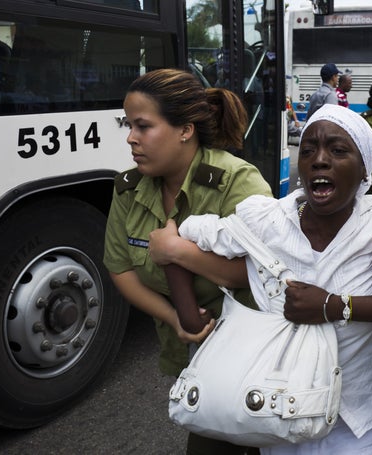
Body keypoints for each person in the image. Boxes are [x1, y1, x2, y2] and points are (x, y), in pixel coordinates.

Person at [152, 104, 372, 454]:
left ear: (365, 170)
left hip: (353, 419)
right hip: (277, 409)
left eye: (337, 149)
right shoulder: (266, 219)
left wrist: (335, 306)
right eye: (308, 149)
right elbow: (174, 237)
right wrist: (189, 316)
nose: (319, 159)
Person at [103, 68, 272, 455]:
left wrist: (181, 253)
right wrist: (172, 316)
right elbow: (121, 268)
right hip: (194, 361)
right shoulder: (129, 189)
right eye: (128, 125)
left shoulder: (237, 182)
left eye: (143, 126)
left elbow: (266, 272)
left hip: (254, 357)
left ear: (185, 130)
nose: (131, 138)